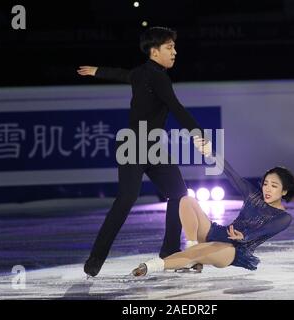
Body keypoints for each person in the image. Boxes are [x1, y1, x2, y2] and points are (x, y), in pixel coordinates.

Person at [77, 27, 205, 277]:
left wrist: (97, 71)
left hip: (153, 147)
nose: (175, 52)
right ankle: (97, 257)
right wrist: (198, 134)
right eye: (169, 48)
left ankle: (169, 252)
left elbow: (123, 75)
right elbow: (176, 108)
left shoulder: (142, 73)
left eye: (174, 47)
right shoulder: (157, 78)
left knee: (179, 195)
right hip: (133, 145)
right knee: (126, 200)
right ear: (154, 51)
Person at [132, 136, 294, 276]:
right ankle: (192, 245)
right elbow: (230, 173)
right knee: (186, 200)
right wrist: (211, 153)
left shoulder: (284, 217)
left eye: (274, 186)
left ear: (284, 191)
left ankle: (149, 267)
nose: (267, 189)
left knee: (196, 254)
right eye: (266, 183)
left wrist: (242, 236)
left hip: (233, 248)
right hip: (217, 232)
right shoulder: (253, 194)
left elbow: (261, 232)